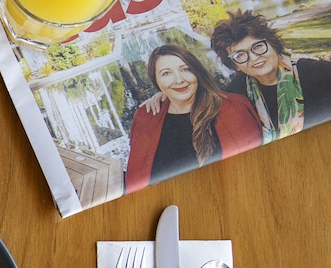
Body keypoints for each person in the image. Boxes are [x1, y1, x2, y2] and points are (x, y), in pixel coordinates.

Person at [125, 45, 261, 192]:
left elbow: (254, 165)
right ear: (156, 80)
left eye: (185, 69)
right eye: (166, 74)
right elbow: (135, 180)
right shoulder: (146, 118)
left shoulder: (233, 108)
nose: (178, 80)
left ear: (196, 71)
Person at [211, 9, 331, 142]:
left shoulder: (318, 73)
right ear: (234, 65)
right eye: (240, 55)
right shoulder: (235, 95)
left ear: (272, 43)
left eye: (257, 47)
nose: (254, 57)